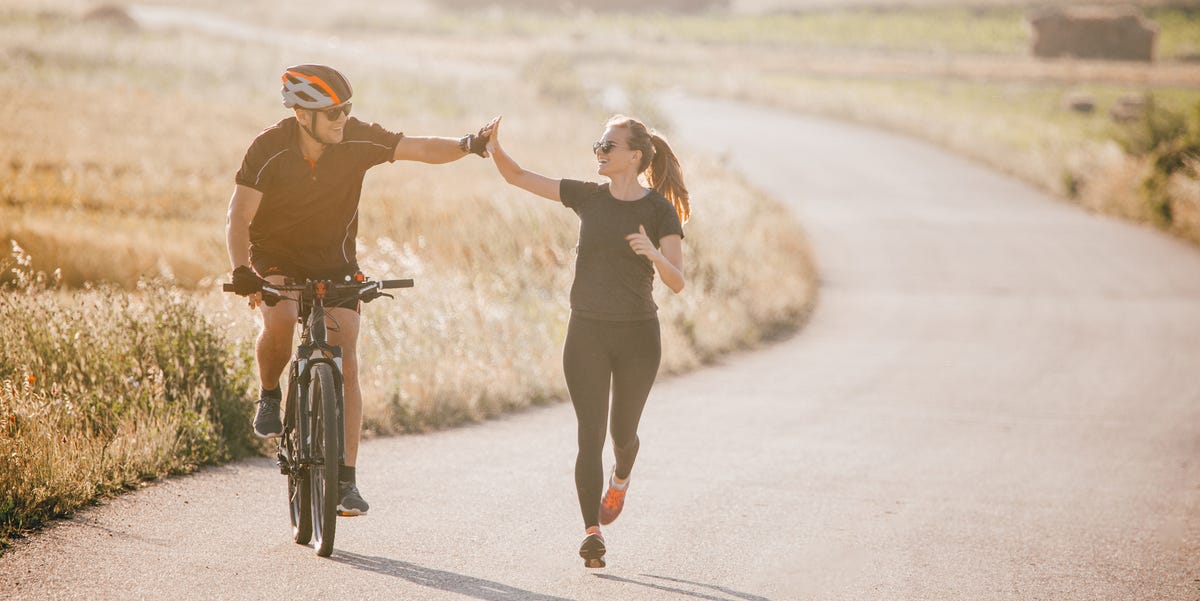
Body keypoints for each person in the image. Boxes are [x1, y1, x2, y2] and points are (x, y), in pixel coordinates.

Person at [226, 64, 495, 517]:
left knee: (345, 352)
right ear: (302, 114)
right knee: (280, 318)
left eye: (347, 110)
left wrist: (468, 145)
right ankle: (270, 392)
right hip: (276, 258)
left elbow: (420, 148)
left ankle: (345, 480)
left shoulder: (356, 139)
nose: (342, 119)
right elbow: (238, 216)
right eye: (333, 112)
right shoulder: (268, 148)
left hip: (335, 262)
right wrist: (240, 270)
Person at [485, 114, 689, 568]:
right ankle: (591, 533)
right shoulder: (587, 196)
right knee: (589, 434)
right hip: (587, 331)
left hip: (638, 334)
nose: (599, 152)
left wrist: (654, 253)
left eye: (608, 146)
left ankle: (622, 474)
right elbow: (519, 177)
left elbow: (677, 281)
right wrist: (492, 147)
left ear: (634, 156)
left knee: (622, 434)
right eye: (597, 145)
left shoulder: (658, 210)